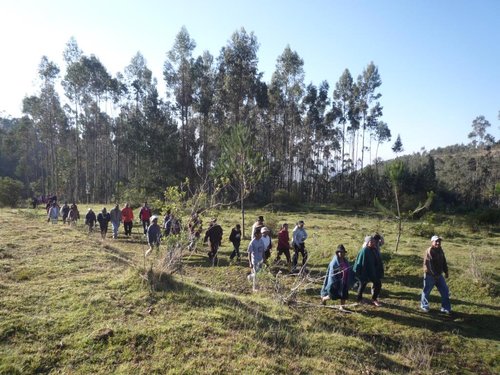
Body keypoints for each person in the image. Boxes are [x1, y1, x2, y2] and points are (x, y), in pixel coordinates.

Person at [420, 235, 451, 314]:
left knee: (445, 291)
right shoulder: (429, 251)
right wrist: (434, 275)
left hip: (439, 275)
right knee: (426, 291)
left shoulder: (440, 250)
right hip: (430, 275)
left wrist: (446, 271)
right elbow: (428, 265)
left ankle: (445, 308)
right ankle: (424, 306)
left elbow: (444, 261)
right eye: (436, 241)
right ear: (432, 242)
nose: (438, 243)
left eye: (439, 241)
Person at [353, 235, 384, 307]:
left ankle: (374, 299)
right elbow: (361, 262)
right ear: (367, 242)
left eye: (373, 241)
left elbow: (377, 260)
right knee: (362, 284)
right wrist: (362, 274)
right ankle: (359, 299)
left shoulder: (374, 249)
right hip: (364, 272)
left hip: (373, 272)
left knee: (378, 284)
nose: (373, 243)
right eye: (371, 241)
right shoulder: (364, 251)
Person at [321, 245, 351, 310]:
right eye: (340, 252)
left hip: (344, 281)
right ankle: (324, 299)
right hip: (336, 282)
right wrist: (334, 283)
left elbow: (348, 269)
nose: (342, 253)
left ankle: (342, 307)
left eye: (343, 252)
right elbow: (332, 274)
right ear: (337, 253)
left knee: (344, 295)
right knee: (332, 295)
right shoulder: (334, 262)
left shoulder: (345, 261)